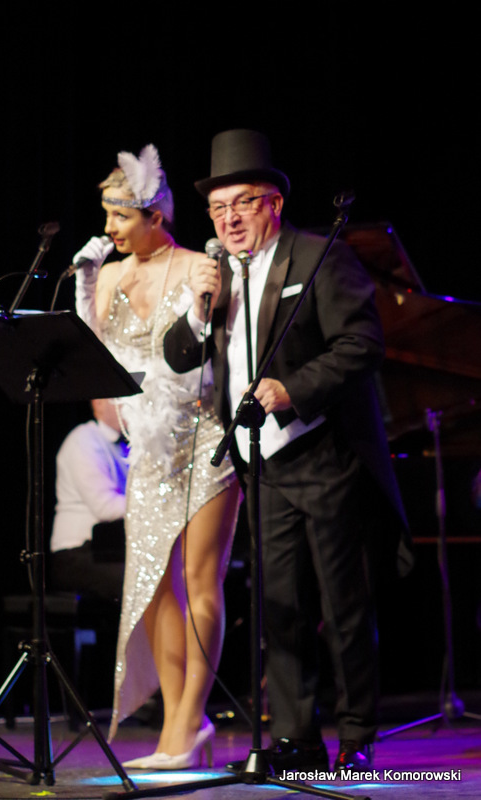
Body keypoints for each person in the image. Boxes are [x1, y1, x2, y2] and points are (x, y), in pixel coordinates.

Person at [164, 129, 413, 773]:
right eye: (218, 209)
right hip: (263, 467)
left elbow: (361, 345)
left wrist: (291, 389)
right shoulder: (218, 275)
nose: (229, 219)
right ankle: (298, 738)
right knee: (281, 607)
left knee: (343, 606)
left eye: (243, 203)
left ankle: (357, 738)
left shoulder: (320, 256)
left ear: (274, 202)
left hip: (326, 455)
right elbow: (179, 354)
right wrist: (198, 310)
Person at [74, 145, 240, 769]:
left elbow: (219, 353)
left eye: (120, 216)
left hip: (203, 438)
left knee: (199, 581)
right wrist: (85, 286)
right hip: (146, 449)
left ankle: (189, 723)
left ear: (154, 216)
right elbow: (92, 359)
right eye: (107, 215)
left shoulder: (199, 265)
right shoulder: (110, 276)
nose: (109, 227)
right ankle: (177, 727)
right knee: (154, 588)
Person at [50, 397, 128, 603]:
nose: (129, 404)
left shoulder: (124, 447)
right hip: (76, 555)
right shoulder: (84, 440)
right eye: (120, 399)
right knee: (141, 580)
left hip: (109, 550)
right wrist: (155, 504)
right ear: (98, 403)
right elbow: (106, 508)